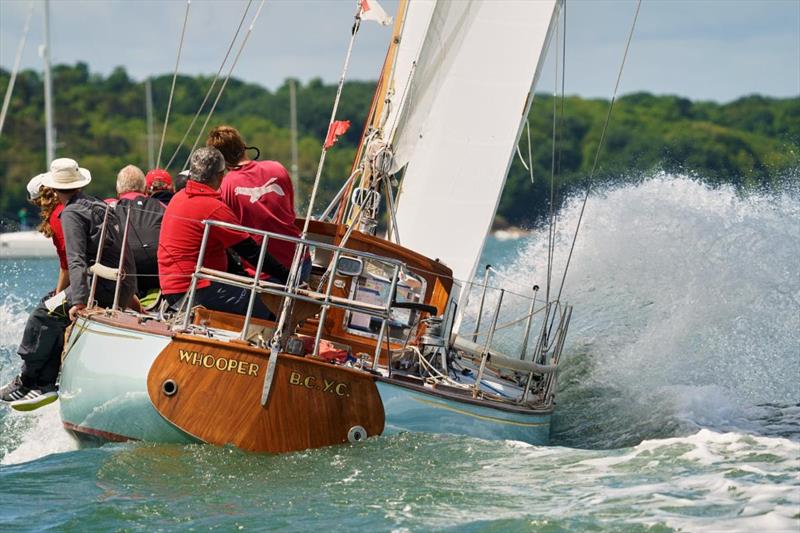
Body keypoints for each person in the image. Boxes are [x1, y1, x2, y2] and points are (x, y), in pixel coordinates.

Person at [0, 158, 137, 410]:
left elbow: (76, 261)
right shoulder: (97, 204)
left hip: (101, 285)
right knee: (52, 310)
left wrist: (78, 302)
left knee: (42, 315)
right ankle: (44, 381)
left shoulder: (71, 212)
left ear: (52, 188)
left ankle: (32, 383)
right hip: (120, 283)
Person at [157, 147, 289, 318]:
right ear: (220, 176)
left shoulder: (178, 197)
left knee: (253, 292)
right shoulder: (213, 207)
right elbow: (251, 252)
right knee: (271, 304)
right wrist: (288, 279)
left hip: (172, 288)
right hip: (197, 289)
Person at [206, 125, 310, 280]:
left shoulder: (225, 186)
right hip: (301, 261)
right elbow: (289, 211)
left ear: (219, 159)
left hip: (264, 272)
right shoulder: (277, 168)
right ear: (243, 146)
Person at [114, 165, 165, 299]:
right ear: (145, 188)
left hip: (125, 276)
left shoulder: (110, 209)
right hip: (159, 274)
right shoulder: (163, 207)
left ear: (118, 190)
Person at [27, 174, 69, 293]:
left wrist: (57, 295)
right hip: (96, 275)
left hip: (89, 281)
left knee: (41, 311)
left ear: (38, 202)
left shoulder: (58, 216)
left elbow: (68, 266)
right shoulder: (73, 206)